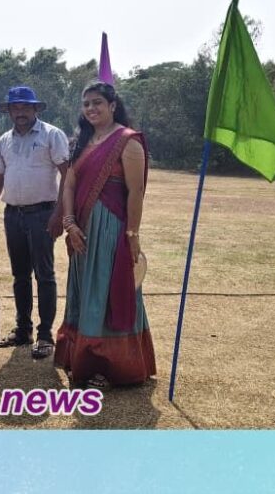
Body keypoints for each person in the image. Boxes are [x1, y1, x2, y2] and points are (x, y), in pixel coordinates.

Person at [54, 81, 156, 388]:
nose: (91, 108)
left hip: (110, 230)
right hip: (82, 229)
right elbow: (69, 185)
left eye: (97, 102)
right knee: (85, 289)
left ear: (112, 106)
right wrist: (70, 224)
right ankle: (81, 357)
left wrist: (132, 234)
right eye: (86, 104)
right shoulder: (81, 141)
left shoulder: (127, 141)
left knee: (107, 290)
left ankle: (109, 365)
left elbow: (136, 191)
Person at [0, 86, 69, 359]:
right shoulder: (4, 140)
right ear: (9, 111)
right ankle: (23, 330)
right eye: (14, 108)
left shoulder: (52, 135)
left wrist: (59, 214)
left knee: (45, 275)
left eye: (25, 107)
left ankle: (45, 336)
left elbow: (68, 176)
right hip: (13, 214)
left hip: (43, 213)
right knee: (20, 275)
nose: (20, 112)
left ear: (35, 109)